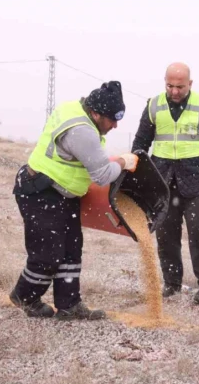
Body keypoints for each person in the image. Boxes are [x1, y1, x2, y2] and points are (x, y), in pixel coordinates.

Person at [9, 81, 139, 320]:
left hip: (62, 193)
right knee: (47, 254)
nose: (115, 125)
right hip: (40, 191)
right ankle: (25, 296)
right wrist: (123, 162)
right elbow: (101, 176)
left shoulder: (77, 111)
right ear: (96, 113)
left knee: (71, 250)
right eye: (112, 119)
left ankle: (69, 305)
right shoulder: (81, 130)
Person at [131, 62, 199, 306]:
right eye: (170, 86)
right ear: (164, 82)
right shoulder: (154, 105)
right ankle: (172, 283)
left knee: (198, 230)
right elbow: (140, 143)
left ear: (190, 84)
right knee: (166, 233)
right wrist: (134, 177)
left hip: (196, 180)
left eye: (180, 86)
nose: (174, 91)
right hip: (163, 179)